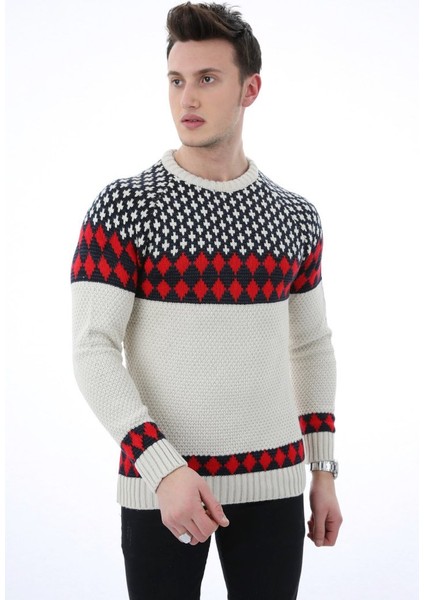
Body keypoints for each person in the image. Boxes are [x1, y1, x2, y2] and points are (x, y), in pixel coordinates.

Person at [71, 2, 342, 599]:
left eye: (207, 79)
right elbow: (93, 350)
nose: (186, 98)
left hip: (275, 484)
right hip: (161, 488)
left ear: (250, 89)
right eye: (176, 80)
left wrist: (322, 471)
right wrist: (162, 468)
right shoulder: (124, 208)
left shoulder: (296, 217)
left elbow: (310, 346)